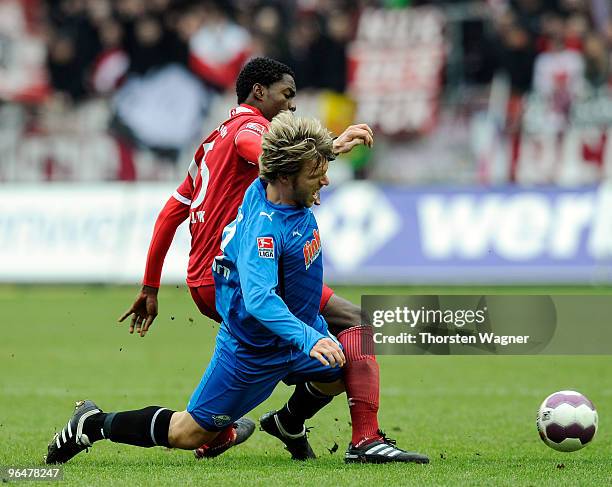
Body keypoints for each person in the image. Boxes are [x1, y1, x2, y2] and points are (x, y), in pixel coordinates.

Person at [44, 113, 429, 465]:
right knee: (186, 432)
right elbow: (260, 299)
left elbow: (278, 154)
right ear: (286, 177)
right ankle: (93, 423)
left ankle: (329, 432)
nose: (325, 181)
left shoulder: (270, 185)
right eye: (317, 173)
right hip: (253, 351)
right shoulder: (266, 229)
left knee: (341, 363)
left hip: (292, 334)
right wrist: (309, 338)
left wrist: (329, 147)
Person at [118, 57, 393, 460]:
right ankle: (353, 436)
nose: (291, 106)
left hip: (209, 276)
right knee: (337, 329)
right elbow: (269, 154)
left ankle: (235, 424)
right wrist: (329, 148)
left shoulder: (211, 142)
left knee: (327, 345)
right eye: (286, 95)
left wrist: (150, 285)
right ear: (259, 93)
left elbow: (170, 213)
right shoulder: (251, 128)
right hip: (237, 272)